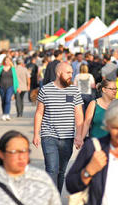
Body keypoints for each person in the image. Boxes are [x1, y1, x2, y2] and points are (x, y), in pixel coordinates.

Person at [33, 62, 84, 193]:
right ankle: (51, 202)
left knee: (61, 172)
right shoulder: (45, 89)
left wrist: (79, 135)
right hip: (49, 135)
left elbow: (79, 114)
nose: (71, 75)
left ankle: (56, 201)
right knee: (51, 169)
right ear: (59, 73)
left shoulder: (74, 90)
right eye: (68, 73)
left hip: (67, 137)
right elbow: (39, 113)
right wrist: (36, 134)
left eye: (72, 73)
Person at [0, 56, 19, 121]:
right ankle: (3, 114)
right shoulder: (0, 68)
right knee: (3, 100)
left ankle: (7, 113)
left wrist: (17, 87)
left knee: (8, 99)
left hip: (10, 86)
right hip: (1, 86)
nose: (7, 62)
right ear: (4, 61)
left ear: (10, 61)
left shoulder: (12, 69)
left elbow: (15, 79)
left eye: (8, 60)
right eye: (6, 60)